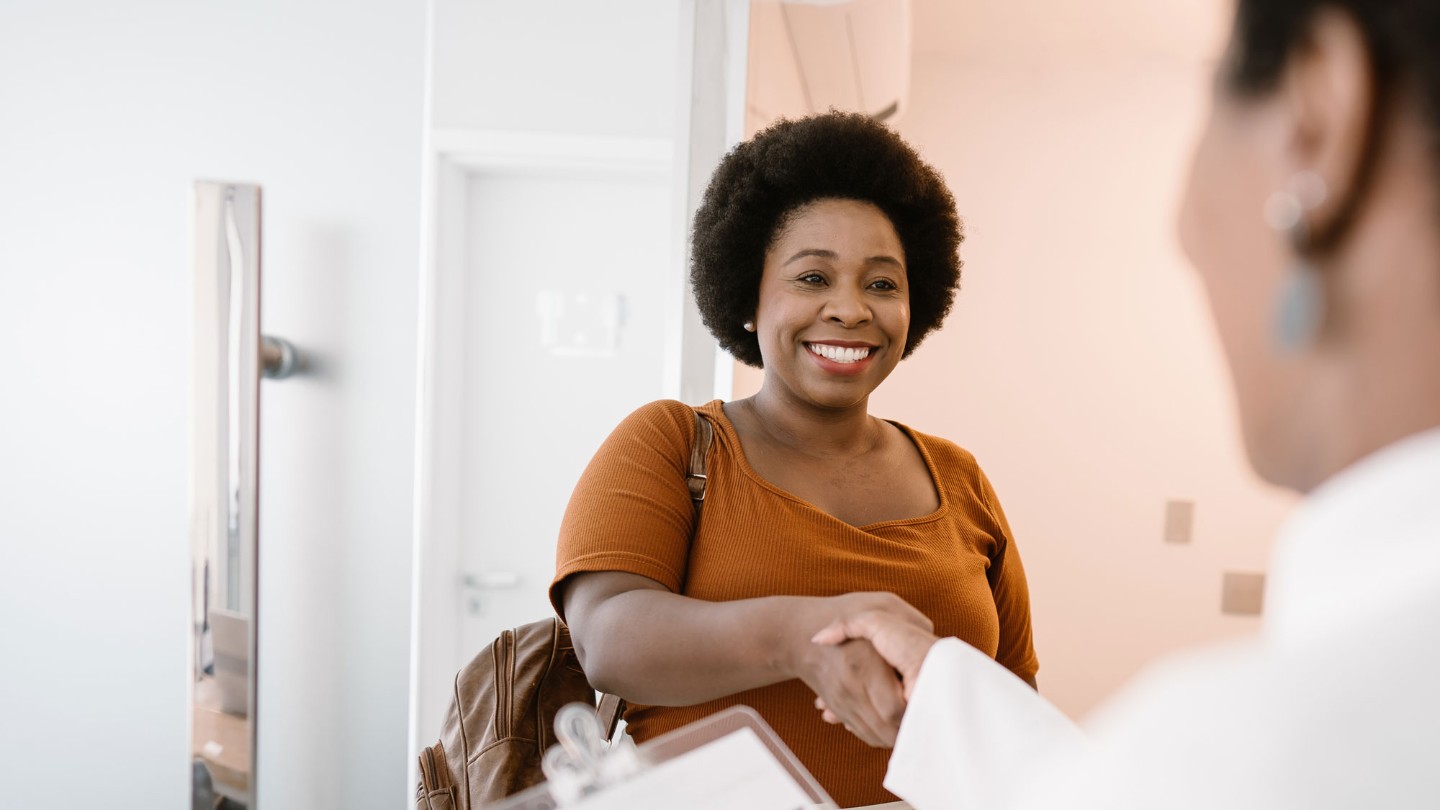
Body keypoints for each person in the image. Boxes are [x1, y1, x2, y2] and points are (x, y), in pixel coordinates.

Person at [812, 1, 1440, 807]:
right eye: (811, 277)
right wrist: (938, 688)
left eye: (1211, 92)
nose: (1186, 230)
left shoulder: (1259, 752)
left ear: (1316, 116)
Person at [549, 111, 1038, 808]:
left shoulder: (959, 480)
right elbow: (608, 640)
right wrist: (798, 639)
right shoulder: (671, 444)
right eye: (812, 278)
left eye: (881, 283)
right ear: (750, 295)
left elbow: (1012, 694)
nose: (849, 309)